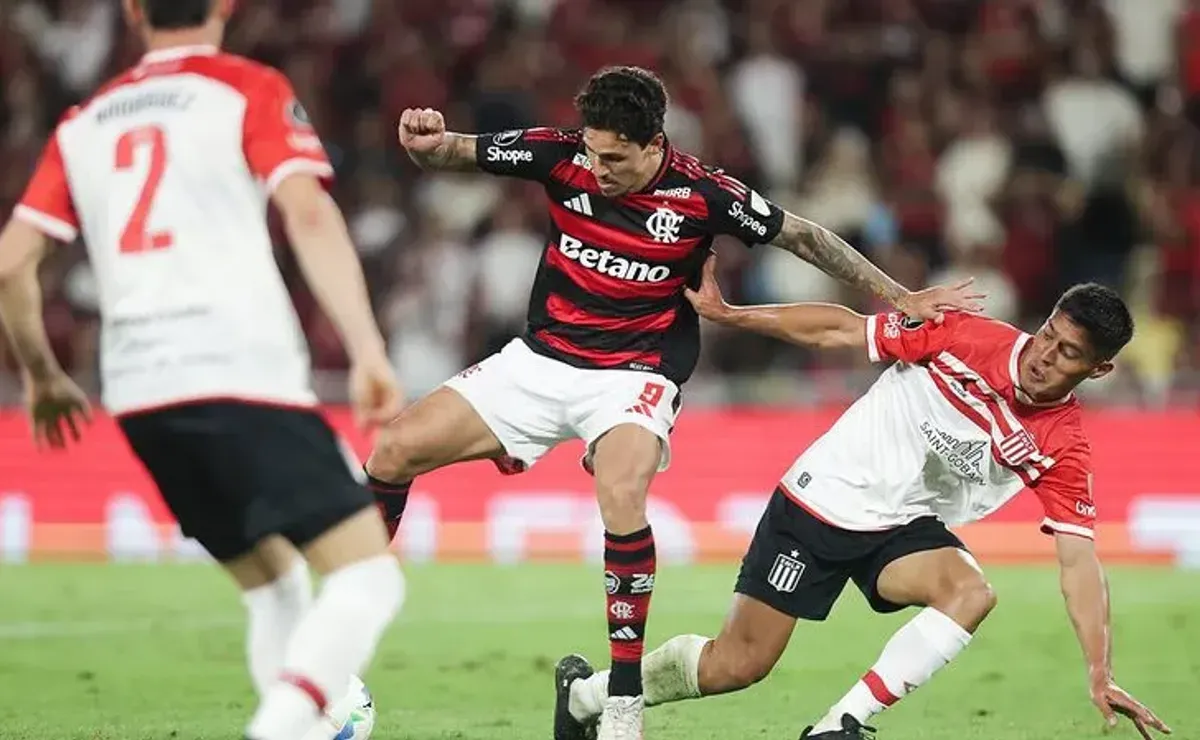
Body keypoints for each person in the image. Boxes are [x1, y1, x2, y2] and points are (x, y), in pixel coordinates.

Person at [365, 65, 980, 739]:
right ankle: (348, 630)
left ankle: (622, 700)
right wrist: (427, 140)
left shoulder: (704, 193)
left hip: (632, 376)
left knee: (622, 495)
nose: (598, 169)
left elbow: (805, 236)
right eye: (593, 153)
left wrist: (902, 297)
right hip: (539, 363)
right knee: (392, 451)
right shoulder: (562, 153)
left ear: (654, 144)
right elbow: (458, 151)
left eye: (615, 159)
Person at [554, 257, 1172, 740]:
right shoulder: (963, 337)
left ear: (1098, 371)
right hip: (822, 502)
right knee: (736, 666)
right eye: (1048, 336)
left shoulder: (1061, 446)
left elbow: (1078, 562)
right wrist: (733, 314)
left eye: (1068, 354)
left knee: (971, 593)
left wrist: (1100, 669)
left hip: (902, 526)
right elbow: (841, 329)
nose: (1044, 356)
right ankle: (586, 695)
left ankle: (838, 725)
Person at [0, 2, 404, 739]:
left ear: (132, 11)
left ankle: (305, 730)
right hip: (238, 370)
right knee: (369, 577)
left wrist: (45, 374)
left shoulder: (84, 122)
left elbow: (10, 265)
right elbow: (307, 213)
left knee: (276, 588)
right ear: (226, 5)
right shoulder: (245, 86)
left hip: (140, 392)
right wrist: (368, 347)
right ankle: (277, 730)